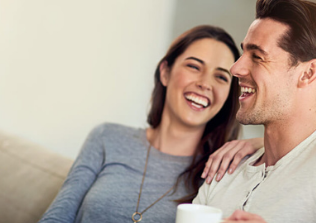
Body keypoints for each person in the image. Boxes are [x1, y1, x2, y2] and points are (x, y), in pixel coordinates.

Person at [39, 25, 263, 223]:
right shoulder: (107, 137)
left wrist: (262, 143)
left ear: (227, 98)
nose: (205, 83)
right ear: (165, 73)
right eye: (194, 66)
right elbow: (58, 216)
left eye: (221, 77)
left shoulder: (223, 170)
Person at [193, 0, 316, 222]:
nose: (235, 68)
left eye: (257, 57)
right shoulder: (227, 170)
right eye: (243, 53)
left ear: (307, 73)